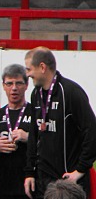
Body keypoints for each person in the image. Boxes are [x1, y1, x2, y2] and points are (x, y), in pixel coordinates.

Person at [23, 47, 96, 198]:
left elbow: (91, 131)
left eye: (29, 69)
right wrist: (30, 172)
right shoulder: (36, 94)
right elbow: (34, 135)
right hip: (43, 180)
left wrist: (80, 171)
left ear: (42, 67)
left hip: (68, 180)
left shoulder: (70, 92)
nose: (27, 74)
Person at [0, 64, 34, 199]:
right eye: (9, 83)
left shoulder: (36, 113)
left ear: (27, 85)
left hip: (31, 185)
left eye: (19, 83)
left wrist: (29, 137)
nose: (14, 88)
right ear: (3, 86)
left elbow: (50, 145)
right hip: (2, 187)